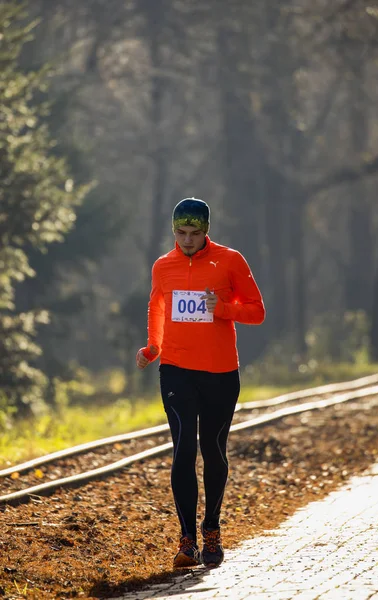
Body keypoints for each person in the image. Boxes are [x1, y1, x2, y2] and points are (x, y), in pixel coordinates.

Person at [136, 198, 265, 569]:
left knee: (213, 449)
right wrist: (153, 347)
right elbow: (157, 305)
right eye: (181, 233)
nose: (187, 240)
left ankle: (212, 528)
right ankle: (187, 539)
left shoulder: (230, 260)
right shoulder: (163, 265)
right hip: (176, 369)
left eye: (194, 233)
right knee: (182, 451)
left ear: (206, 231)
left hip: (221, 373)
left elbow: (257, 311)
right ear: (173, 231)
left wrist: (222, 308)